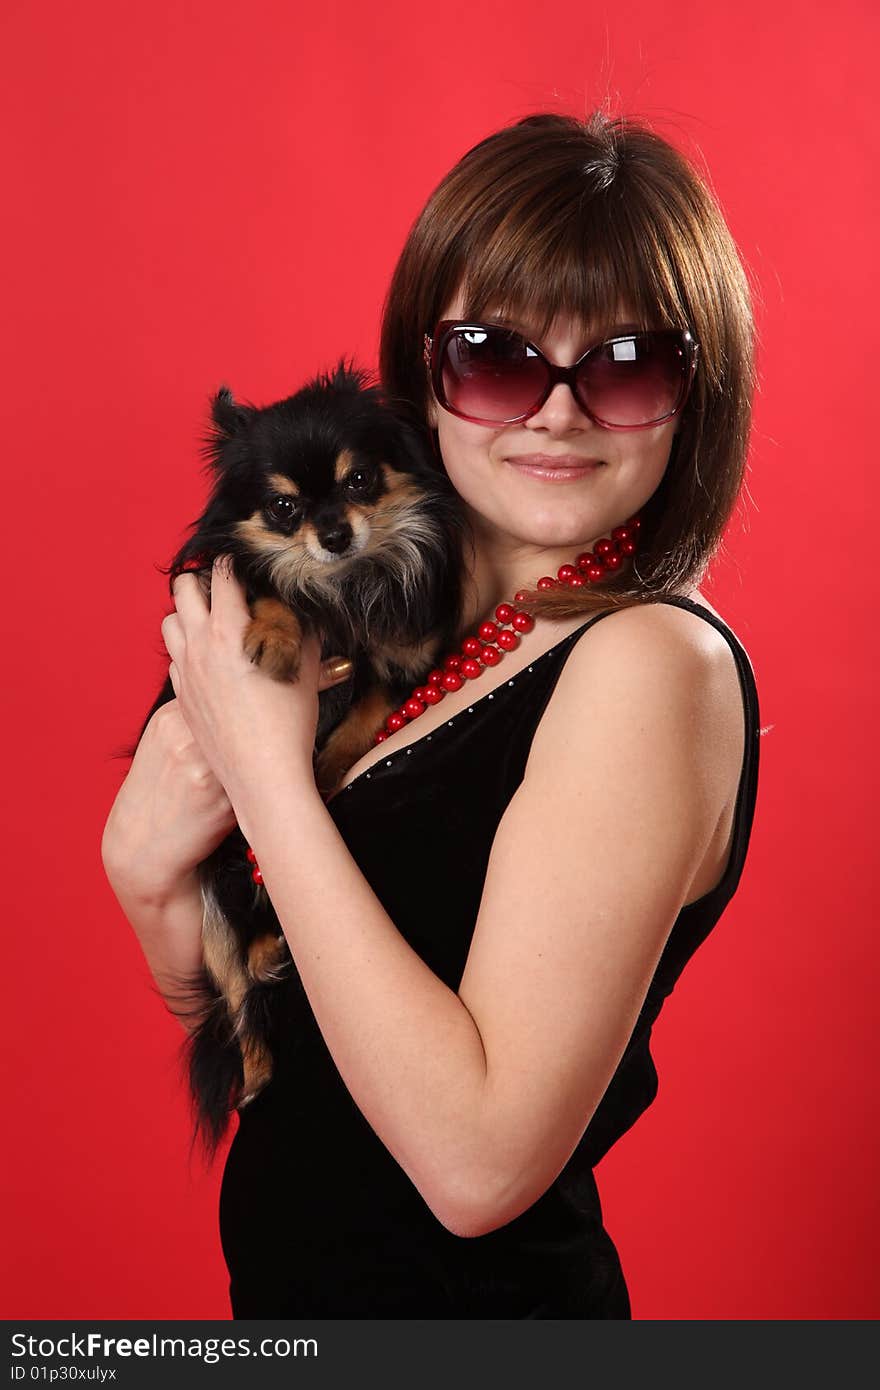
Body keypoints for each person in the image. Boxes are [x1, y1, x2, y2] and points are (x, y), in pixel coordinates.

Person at [101, 110, 761, 1319]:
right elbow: (283, 1074)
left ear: (692, 391)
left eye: (624, 364)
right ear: (430, 377)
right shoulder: (406, 638)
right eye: (498, 357)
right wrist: (147, 878)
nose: (554, 413)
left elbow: (476, 1166)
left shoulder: (647, 664)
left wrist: (267, 780)